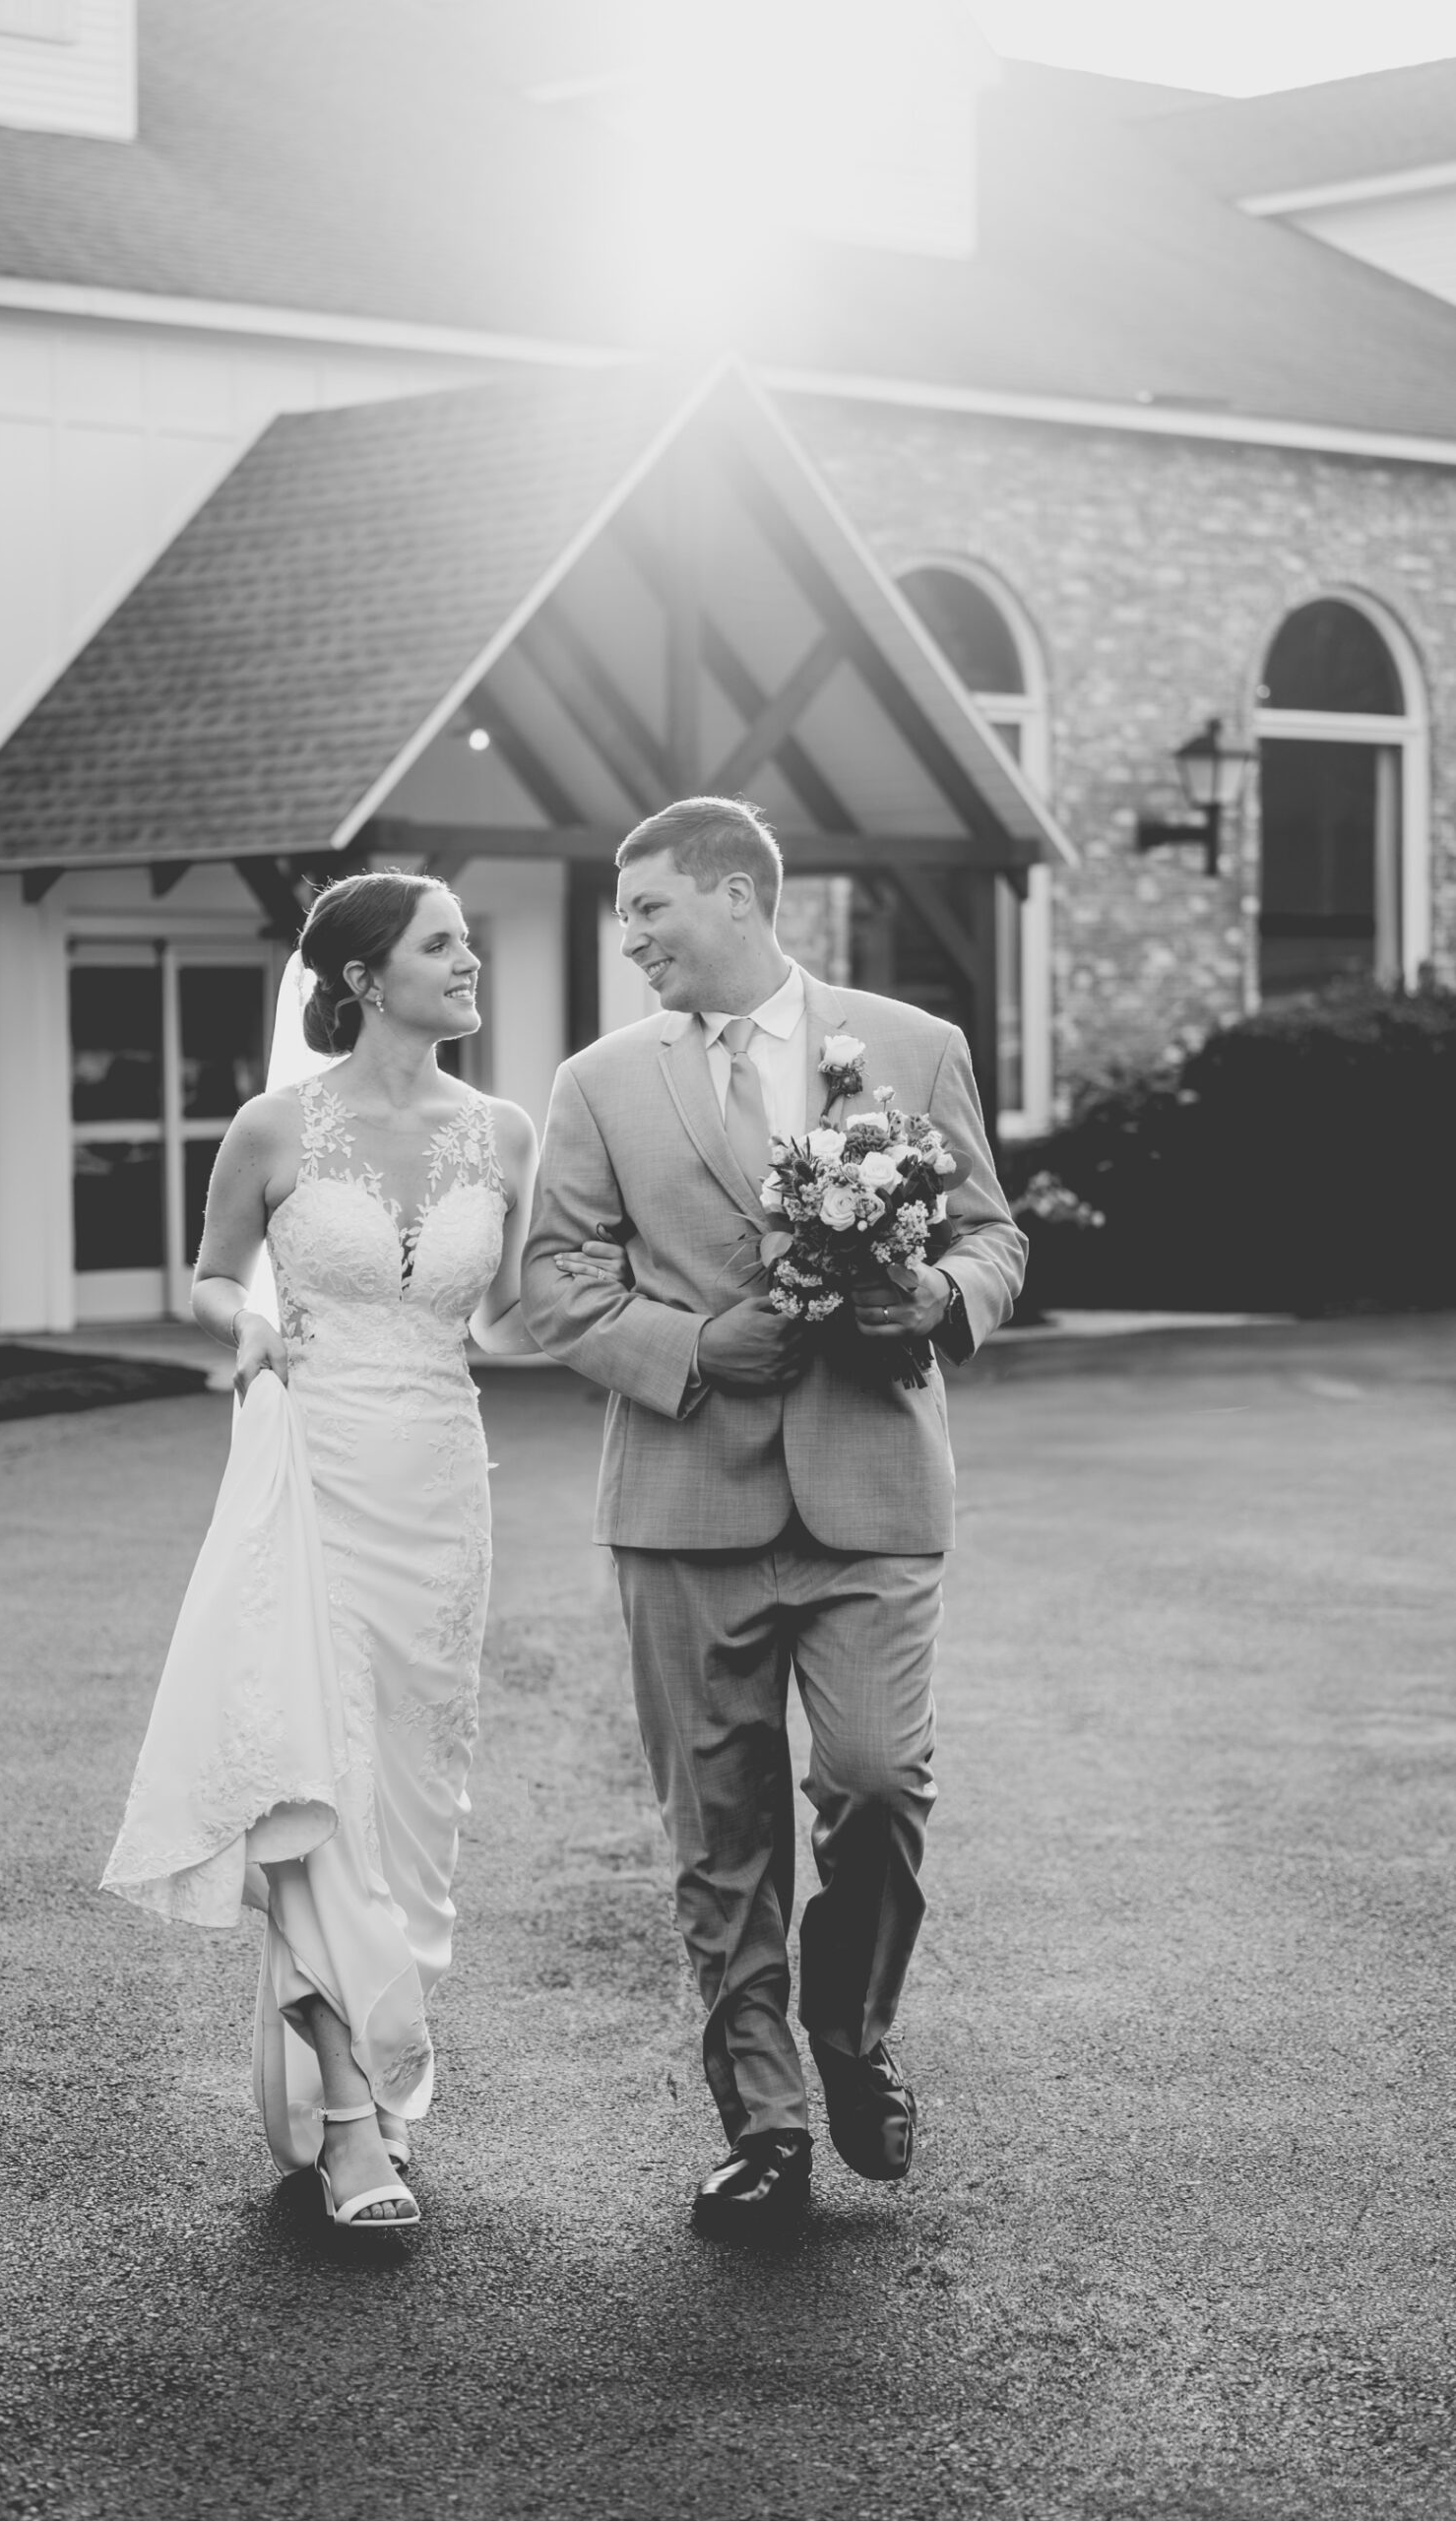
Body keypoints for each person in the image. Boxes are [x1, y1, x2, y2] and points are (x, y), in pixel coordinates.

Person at [522, 797, 1026, 2233]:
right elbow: (553, 1282)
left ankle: (851, 2035)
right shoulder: (598, 1083)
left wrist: (937, 1296)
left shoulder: (910, 1047)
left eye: (649, 912)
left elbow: (991, 1233)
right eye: (624, 920)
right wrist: (689, 1351)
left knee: (873, 1784)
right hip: (683, 1500)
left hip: (871, 1484)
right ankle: (763, 2123)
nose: (630, 943)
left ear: (737, 896)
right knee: (719, 1827)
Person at [102, 870, 621, 2237]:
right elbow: (211, 1272)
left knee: (406, 1800)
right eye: (440, 946)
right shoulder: (276, 1126)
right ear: (362, 976)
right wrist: (246, 1323)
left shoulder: (503, 1134)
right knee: (310, 1780)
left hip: (442, 1486)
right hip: (313, 1472)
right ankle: (346, 2125)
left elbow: (512, 1315)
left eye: (465, 945)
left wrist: (631, 1329)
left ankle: (374, 2061)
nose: (468, 964)